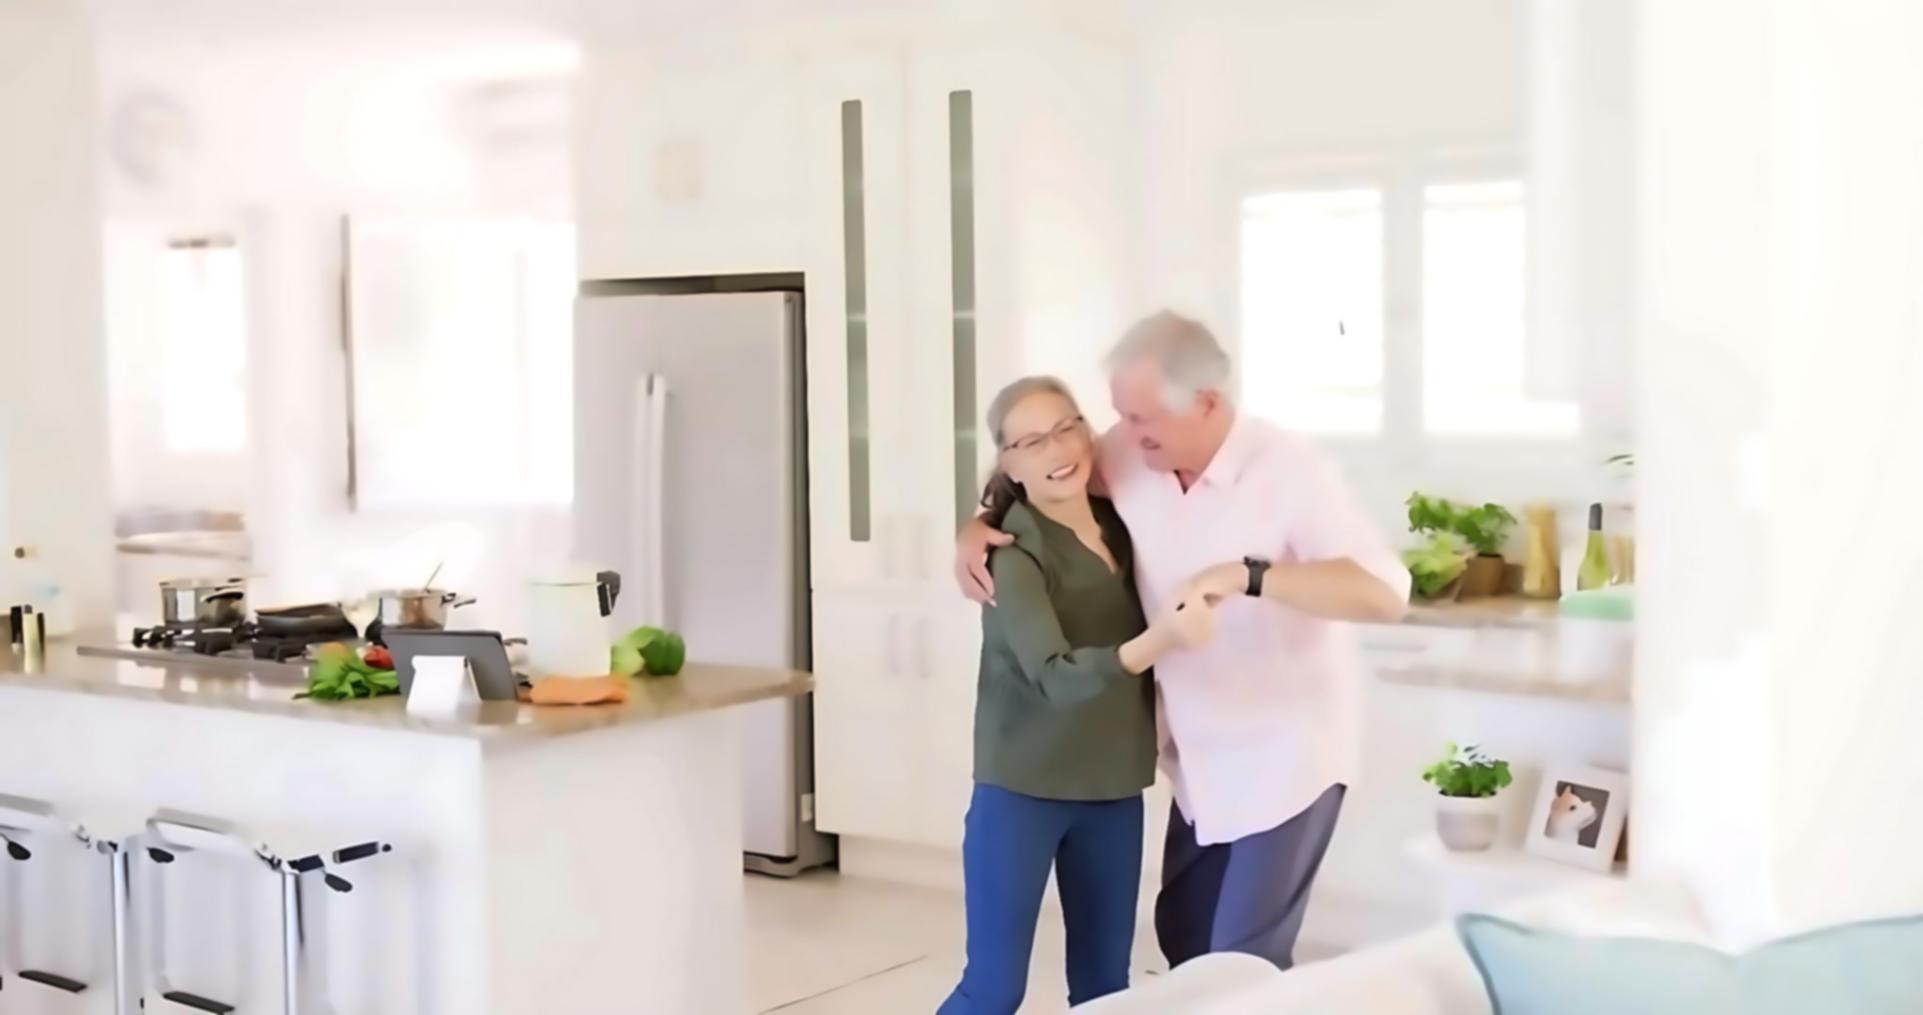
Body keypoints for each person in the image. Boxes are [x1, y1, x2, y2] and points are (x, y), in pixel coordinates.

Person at [953, 312, 1409, 973]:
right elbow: (1038, 475)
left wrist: (1248, 575)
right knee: (1185, 939)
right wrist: (975, 529)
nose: (1121, 433)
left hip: (1287, 752)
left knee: (1242, 959)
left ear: (1206, 402)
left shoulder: (1289, 468)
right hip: (1196, 757)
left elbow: (1384, 592)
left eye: (1141, 417)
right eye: (1118, 415)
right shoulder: (1132, 454)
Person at [939, 376, 1219, 1015]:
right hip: (1022, 789)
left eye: (1067, 428)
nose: (1057, 449)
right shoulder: (1013, 555)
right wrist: (1161, 638)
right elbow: (1054, 676)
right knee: (993, 990)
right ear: (1009, 463)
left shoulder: (1124, 525)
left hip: (1112, 787)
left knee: (1105, 990)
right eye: (1033, 441)